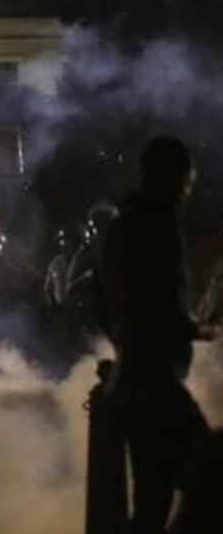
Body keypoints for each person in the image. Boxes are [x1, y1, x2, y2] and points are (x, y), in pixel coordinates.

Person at [102, 136, 221, 533]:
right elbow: (165, 316)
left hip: (133, 382)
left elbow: (102, 301)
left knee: (152, 506)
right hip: (155, 386)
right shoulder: (159, 227)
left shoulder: (122, 225)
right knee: (211, 481)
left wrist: (124, 341)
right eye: (185, 185)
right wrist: (206, 328)